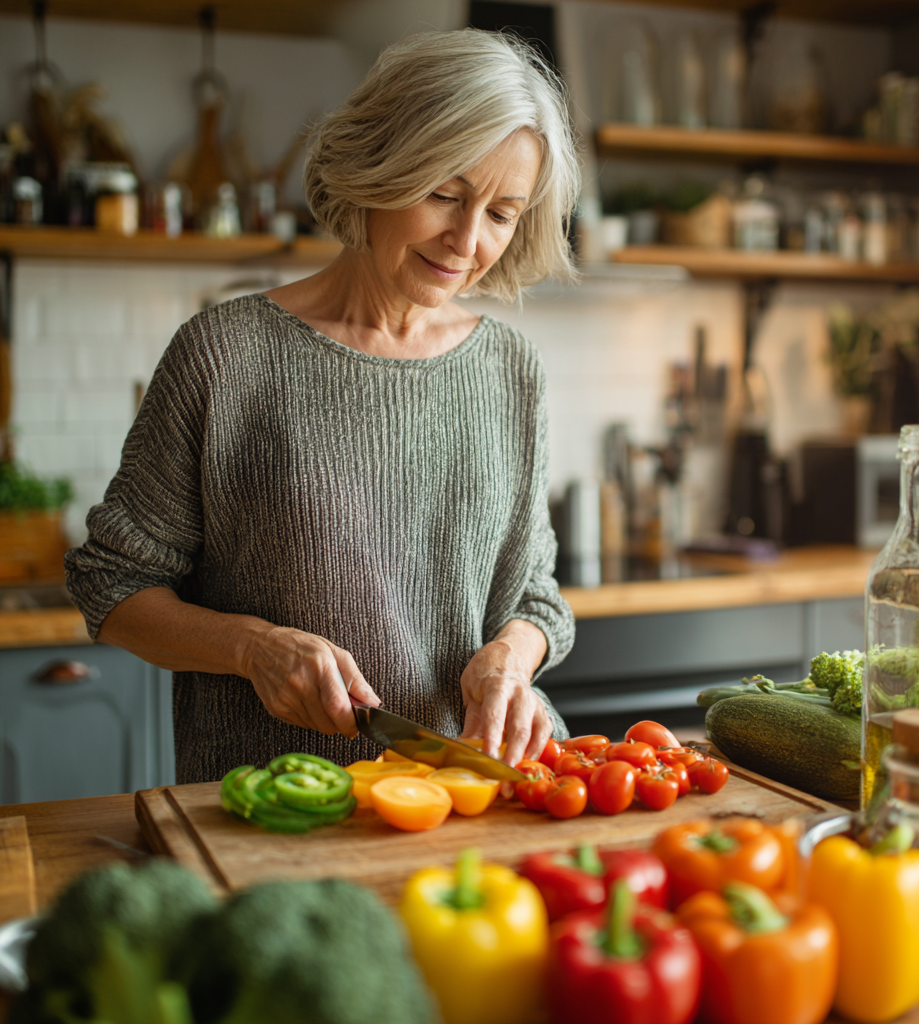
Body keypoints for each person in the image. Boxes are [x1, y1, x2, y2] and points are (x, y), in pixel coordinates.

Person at [64, 29, 582, 783]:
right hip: (275, 810)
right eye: (444, 193)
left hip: (466, 799)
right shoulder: (225, 354)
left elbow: (535, 598)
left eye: (501, 213)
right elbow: (110, 585)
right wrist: (253, 648)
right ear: (379, 167)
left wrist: (510, 658)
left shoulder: (510, 368)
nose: (467, 242)